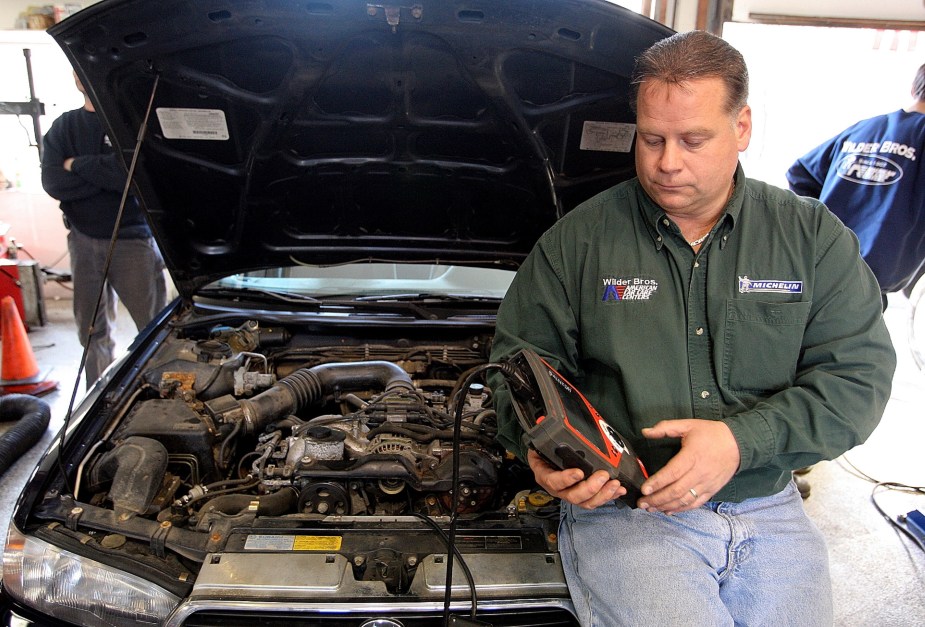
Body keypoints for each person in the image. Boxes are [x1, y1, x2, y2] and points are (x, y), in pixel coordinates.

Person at [488, 30, 896, 626]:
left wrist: (740, 441)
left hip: (770, 506)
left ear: (743, 127)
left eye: (693, 139)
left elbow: (857, 383)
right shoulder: (577, 244)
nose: (666, 162)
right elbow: (519, 372)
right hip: (629, 513)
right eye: (651, 139)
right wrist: (538, 453)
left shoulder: (812, 240)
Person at [41, 72, 168, 386]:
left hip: (133, 241)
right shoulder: (63, 127)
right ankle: (98, 395)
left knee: (153, 329)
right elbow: (53, 182)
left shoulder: (130, 124)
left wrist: (77, 165)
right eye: (72, 67)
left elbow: (129, 177)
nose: (79, 73)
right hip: (83, 241)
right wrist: (104, 173)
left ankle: (157, 393)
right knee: (91, 330)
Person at [786, 63, 925, 306]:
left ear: (914, 88)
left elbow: (801, 174)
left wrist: (820, 226)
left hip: (818, 267)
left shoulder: (867, 128)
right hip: (863, 286)